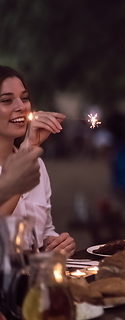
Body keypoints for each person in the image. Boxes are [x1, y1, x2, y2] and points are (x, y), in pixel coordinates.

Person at [0, 65, 75, 255]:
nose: (21, 107)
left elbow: (44, 230)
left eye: (24, 98)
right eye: (7, 100)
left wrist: (55, 243)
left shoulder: (37, 164)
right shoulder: (29, 160)